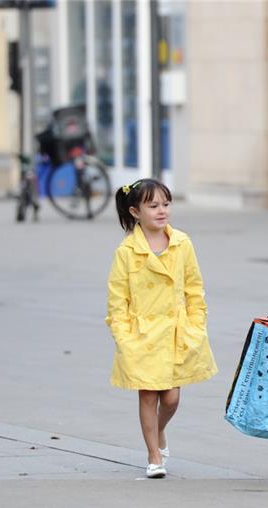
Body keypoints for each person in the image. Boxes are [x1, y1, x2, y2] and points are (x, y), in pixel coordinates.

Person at [106, 179, 217, 478]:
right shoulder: (126, 251)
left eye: (166, 204)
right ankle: (154, 456)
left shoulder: (181, 242)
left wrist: (197, 323)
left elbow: (194, 286)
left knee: (171, 398)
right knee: (148, 396)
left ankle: (159, 429)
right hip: (141, 334)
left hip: (175, 331)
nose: (161, 211)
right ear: (135, 212)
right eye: (153, 206)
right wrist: (123, 336)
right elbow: (117, 298)